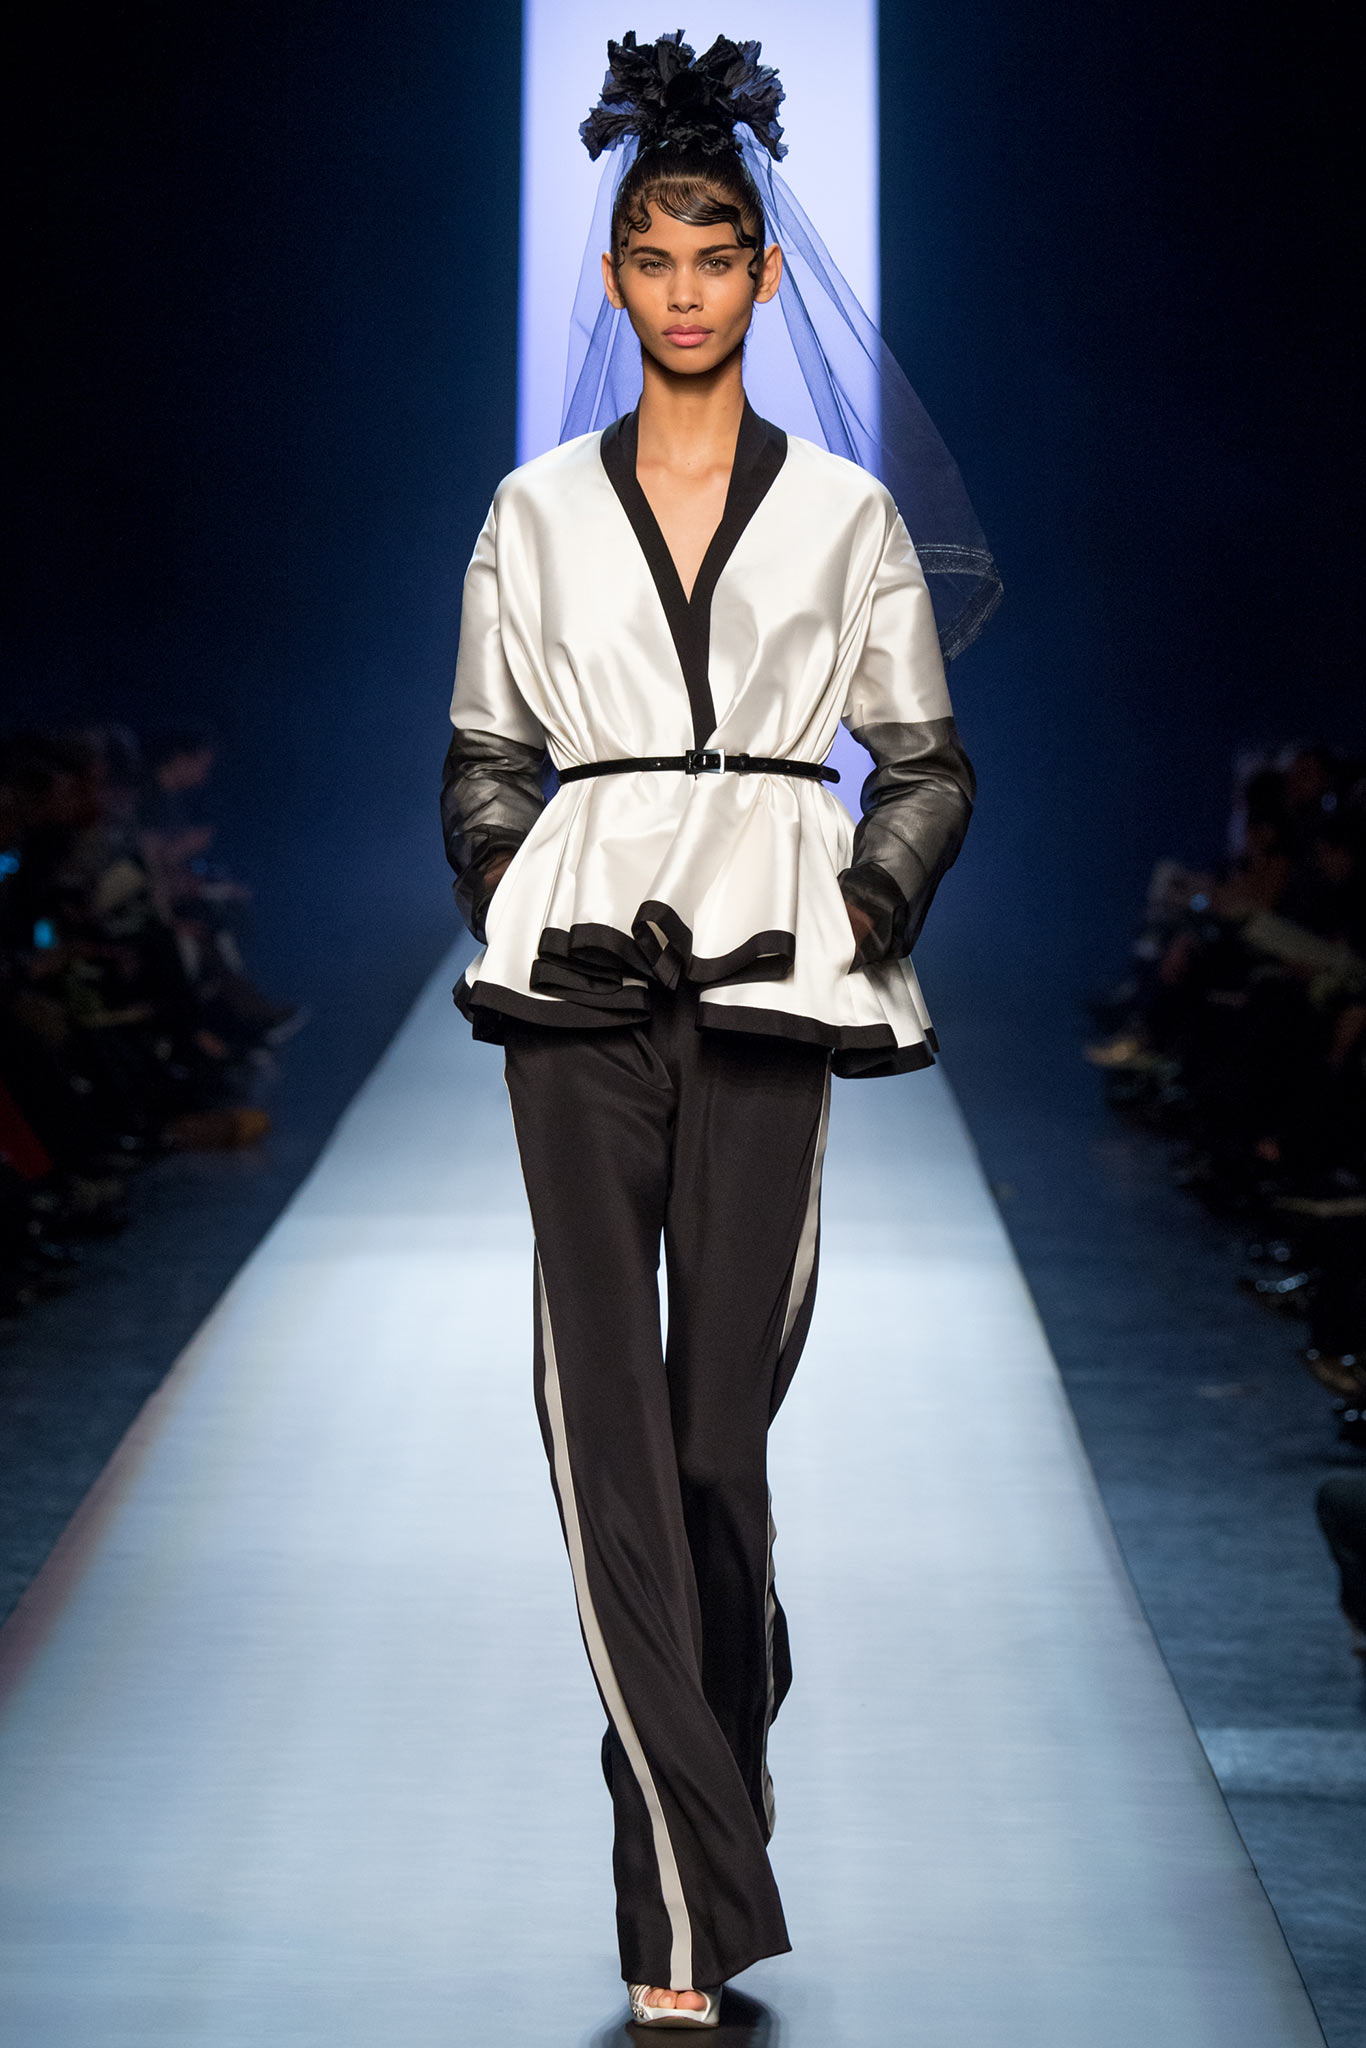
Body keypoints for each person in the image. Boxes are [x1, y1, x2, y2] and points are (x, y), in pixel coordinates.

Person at [441, 33, 993, 2029]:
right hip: (577, 996)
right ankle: (676, 1910)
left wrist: (862, 906)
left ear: (761, 274)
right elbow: (483, 756)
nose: (682, 289)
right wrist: (511, 891)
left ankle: (719, 1727)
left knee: (708, 1448)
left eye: (714, 256)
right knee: (604, 1436)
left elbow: (923, 760)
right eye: (652, 258)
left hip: (770, 985)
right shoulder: (531, 512)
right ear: (612, 278)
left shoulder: (843, 514)